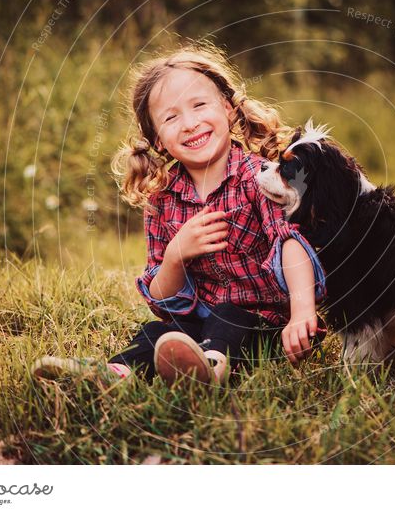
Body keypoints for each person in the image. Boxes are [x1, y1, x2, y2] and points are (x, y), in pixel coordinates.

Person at [32, 42, 326, 385]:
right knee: (157, 332)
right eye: (171, 117)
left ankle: (210, 369)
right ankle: (115, 374)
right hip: (199, 324)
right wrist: (175, 256)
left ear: (229, 110)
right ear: (157, 139)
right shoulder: (163, 199)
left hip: (267, 326)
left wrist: (302, 312)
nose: (189, 124)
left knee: (228, 316)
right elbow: (162, 302)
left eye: (199, 105)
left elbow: (289, 241)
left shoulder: (258, 177)